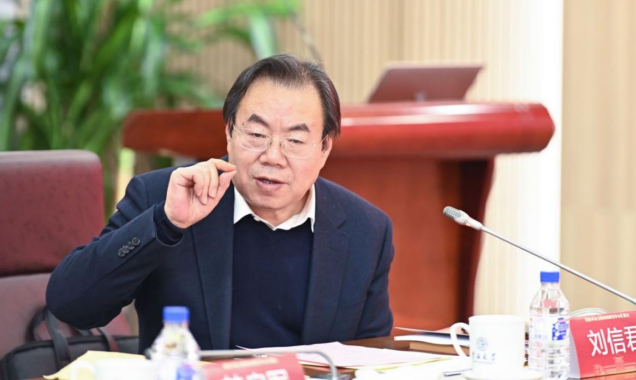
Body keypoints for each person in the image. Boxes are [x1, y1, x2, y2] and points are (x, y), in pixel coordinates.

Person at [46, 54, 394, 352]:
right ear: (229, 132)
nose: (272, 156)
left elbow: (374, 360)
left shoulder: (365, 230)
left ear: (324, 147)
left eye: (295, 140)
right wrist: (166, 224)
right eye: (256, 135)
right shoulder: (164, 197)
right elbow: (71, 305)